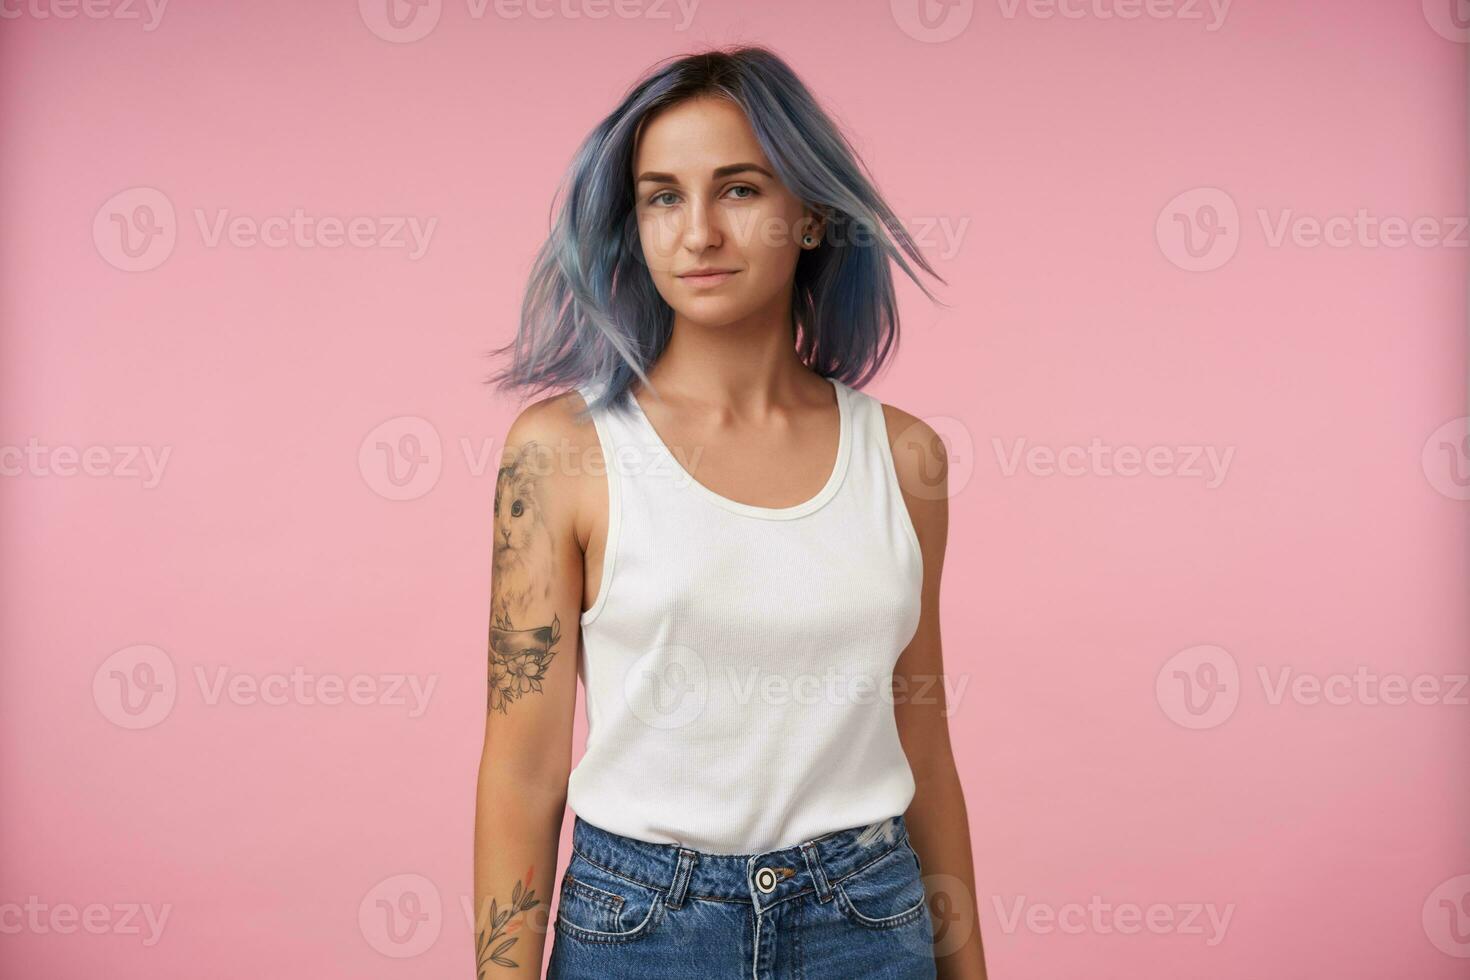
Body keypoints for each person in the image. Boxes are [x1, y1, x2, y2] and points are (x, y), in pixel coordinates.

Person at [474, 44, 989, 980]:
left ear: (812, 217)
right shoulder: (559, 454)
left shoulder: (906, 459)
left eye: (740, 190)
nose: (697, 232)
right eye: (663, 196)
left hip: (868, 924)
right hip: (637, 928)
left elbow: (924, 742)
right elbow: (523, 769)